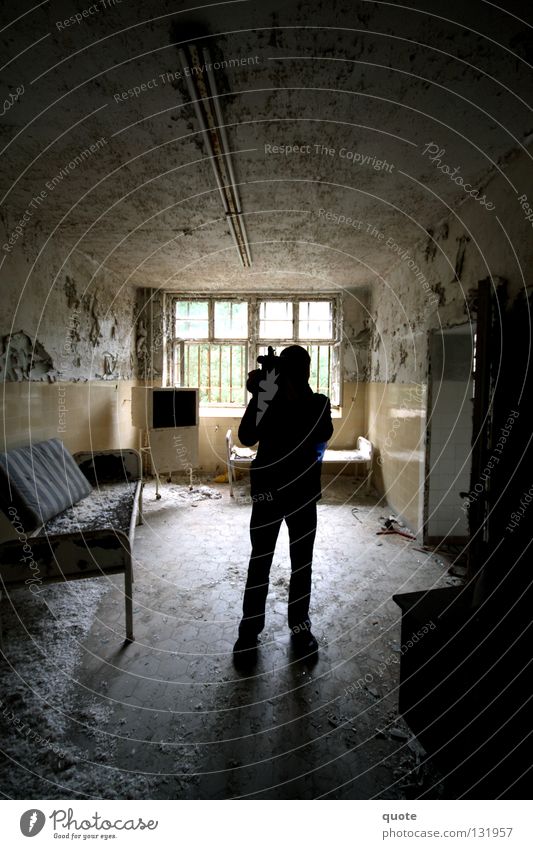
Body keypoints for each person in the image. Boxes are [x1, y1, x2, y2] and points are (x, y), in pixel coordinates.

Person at [233, 345, 334, 666]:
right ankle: (249, 631)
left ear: (304, 375)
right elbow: (246, 436)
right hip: (270, 494)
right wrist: (264, 393)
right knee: (260, 562)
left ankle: (300, 627)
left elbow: (322, 432)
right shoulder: (268, 398)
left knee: (301, 564)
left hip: (301, 494)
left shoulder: (318, 403)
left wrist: (281, 392)